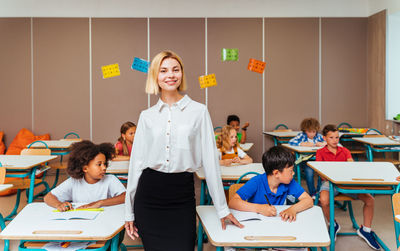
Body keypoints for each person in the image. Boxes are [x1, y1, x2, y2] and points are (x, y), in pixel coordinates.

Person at [124, 50, 242, 250]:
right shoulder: (147, 116)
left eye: (175, 70)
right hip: (149, 196)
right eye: (163, 71)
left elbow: (211, 162)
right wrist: (129, 211)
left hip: (181, 195)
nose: (170, 75)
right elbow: (136, 164)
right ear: (155, 76)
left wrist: (222, 209)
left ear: (181, 74)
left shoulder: (199, 111)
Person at [228, 146, 313, 251]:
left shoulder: (289, 183)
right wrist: (259, 208)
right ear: (276, 173)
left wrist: (293, 209)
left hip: (276, 228)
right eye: (291, 171)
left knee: (300, 246)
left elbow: (308, 200)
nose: (293, 173)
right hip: (255, 229)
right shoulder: (257, 182)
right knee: (232, 243)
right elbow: (233, 202)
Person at [316, 124, 380, 250]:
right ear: (324, 138)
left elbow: (351, 167)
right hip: (329, 182)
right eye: (331, 138)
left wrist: (350, 168)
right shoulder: (320, 152)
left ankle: (366, 230)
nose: (335, 140)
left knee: (370, 200)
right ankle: (332, 224)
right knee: (323, 200)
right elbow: (321, 173)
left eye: (337, 137)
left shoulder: (344, 151)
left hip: (346, 182)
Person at [44, 140, 126, 212]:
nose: (104, 167)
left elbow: (125, 196)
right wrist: (59, 205)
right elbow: (48, 197)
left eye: (104, 164)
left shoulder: (110, 179)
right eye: (99, 164)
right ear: (85, 168)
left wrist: (99, 203)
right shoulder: (74, 182)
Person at [289, 118, 326, 196]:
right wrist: (302, 144)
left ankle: (320, 191)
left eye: (314, 131)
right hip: (305, 160)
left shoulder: (318, 136)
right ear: (305, 130)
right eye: (309, 131)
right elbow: (291, 141)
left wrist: (322, 144)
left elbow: (328, 141)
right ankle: (313, 193)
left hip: (317, 160)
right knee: (309, 173)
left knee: (322, 173)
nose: (312, 134)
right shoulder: (301, 136)